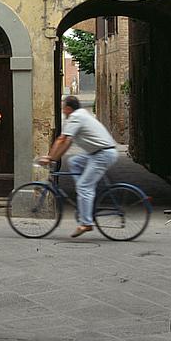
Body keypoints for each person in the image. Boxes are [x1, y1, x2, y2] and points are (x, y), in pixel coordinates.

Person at [39, 95, 118, 238]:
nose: (62, 110)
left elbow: (63, 140)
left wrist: (51, 158)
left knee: (83, 186)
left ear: (69, 108)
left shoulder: (76, 117)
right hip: (97, 152)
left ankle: (86, 223)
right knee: (74, 162)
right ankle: (85, 195)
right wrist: (54, 157)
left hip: (103, 154)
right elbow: (64, 142)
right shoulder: (80, 115)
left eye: (63, 107)